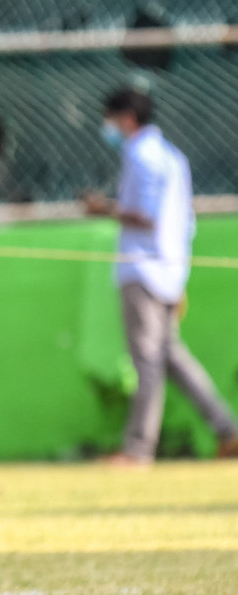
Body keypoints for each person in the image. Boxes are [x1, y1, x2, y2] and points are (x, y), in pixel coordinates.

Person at [83, 87, 238, 464]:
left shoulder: (140, 155)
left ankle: (138, 449)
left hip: (142, 269)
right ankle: (226, 429)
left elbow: (145, 215)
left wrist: (103, 209)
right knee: (170, 357)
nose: (109, 126)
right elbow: (184, 221)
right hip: (170, 269)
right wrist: (178, 271)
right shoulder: (174, 157)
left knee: (147, 360)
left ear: (127, 118)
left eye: (111, 118)